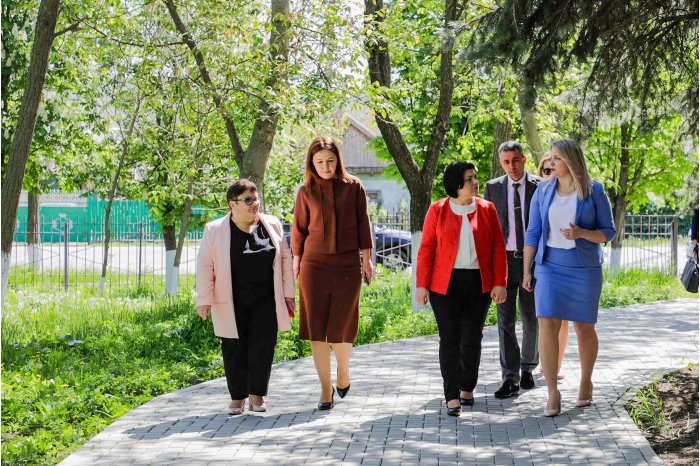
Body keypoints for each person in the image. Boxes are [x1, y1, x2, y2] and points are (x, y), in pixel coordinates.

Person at [522, 139, 616, 417]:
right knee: (547, 324)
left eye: (557, 158)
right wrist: (527, 270)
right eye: (550, 158)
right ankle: (552, 391)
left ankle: (586, 381)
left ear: (571, 161)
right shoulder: (542, 191)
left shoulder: (594, 191)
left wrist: (581, 233)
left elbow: (609, 232)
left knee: (584, 327)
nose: (551, 163)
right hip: (549, 266)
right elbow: (533, 232)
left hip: (584, 269)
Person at [196, 179, 296, 415]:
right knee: (233, 347)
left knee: (263, 345)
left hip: (266, 299)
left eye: (256, 198)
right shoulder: (214, 230)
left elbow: (285, 260)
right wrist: (204, 299)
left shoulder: (272, 224)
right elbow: (205, 266)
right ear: (233, 204)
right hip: (231, 299)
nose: (255, 204)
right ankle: (237, 397)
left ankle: (257, 395)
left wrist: (288, 294)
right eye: (248, 200)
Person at [415, 162, 507, 417]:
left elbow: (498, 248)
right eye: (469, 179)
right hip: (445, 284)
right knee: (450, 338)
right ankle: (452, 395)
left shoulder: (487, 209)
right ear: (456, 184)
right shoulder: (437, 210)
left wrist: (500, 281)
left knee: (472, 337)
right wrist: (421, 285)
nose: (475, 182)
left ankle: (467, 386)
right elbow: (426, 249)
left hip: (478, 282)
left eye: (475, 177)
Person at [291, 136, 374, 410]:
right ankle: (325, 389)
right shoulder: (306, 191)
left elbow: (363, 224)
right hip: (314, 266)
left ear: (338, 160)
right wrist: (296, 263)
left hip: (347, 265)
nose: (325, 167)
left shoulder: (354, 187)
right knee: (317, 328)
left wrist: (367, 260)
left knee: (342, 325)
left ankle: (343, 372)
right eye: (319, 162)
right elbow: (298, 230)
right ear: (311, 163)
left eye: (330, 161)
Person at [483, 142, 542, 399]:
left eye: (515, 160)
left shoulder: (540, 186)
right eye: (506, 162)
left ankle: (528, 368)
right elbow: (488, 228)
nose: (512, 166)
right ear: (501, 163)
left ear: (524, 159)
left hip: (532, 260)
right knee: (505, 320)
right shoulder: (493, 187)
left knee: (531, 317)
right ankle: (510, 377)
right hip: (504, 261)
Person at [537, 154, 568, 381]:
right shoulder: (539, 193)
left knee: (562, 318)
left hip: (566, 262)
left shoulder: (570, 193)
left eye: (553, 168)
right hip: (541, 261)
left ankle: (556, 365)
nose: (550, 173)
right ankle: (543, 361)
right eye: (546, 170)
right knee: (544, 318)